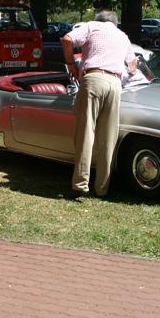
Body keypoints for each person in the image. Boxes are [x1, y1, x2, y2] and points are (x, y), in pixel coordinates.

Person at [61, 10, 137, 198]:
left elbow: (67, 39)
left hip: (93, 79)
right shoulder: (122, 35)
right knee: (108, 137)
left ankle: (80, 185)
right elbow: (133, 63)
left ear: (99, 20)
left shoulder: (91, 26)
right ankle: (102, 187)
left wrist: (71, 64)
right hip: (115, 84)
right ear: (115, 23)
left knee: (86, 132)